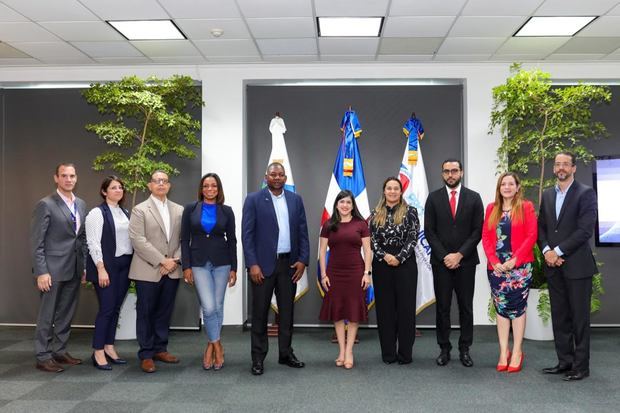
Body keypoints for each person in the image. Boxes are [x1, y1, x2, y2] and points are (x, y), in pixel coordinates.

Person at [242, 162, 309, 376]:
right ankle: (258, 358)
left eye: (281, 174)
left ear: (285, 177)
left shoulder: (295, 200)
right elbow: (247, 235)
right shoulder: (253, 199)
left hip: (289, 265)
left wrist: (303, 260)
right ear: (266, 177)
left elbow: (303, 232)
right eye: (273, 174)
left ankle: (285, 354)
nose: (277, 177)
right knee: (260, 314)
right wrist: (252, 264)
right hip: (262, 266)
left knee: (287, 314)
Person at [539, 152, 598, 381]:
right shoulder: (547, 194)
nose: (561, 167)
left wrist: (558, 252)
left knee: (579, 319)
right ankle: (565, 361)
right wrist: (547, 252)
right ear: (554, 169)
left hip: (577, 267)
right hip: (554, 266)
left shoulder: (585, 193)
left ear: (573, 168)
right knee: (560, 315)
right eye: (557, 164)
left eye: (566, 164)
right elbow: (542, 228)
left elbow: (585, 230)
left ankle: (581, 367)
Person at [424, 159, 483, 367]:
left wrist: (459, 255)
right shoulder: (433, 198)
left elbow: (478, 231)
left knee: (466, 307)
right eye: (447, 171)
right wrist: (445, 256)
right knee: (443, 307)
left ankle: (465, 349)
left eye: (454, 171)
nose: (451, 174)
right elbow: (429, 232)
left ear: (461, 172)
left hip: (466, 263)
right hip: (441, 263)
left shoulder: (474, 198)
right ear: (442, 174)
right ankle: (444, 348)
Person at [31, 163, 87, 372]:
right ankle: (43, 355)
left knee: (66, 312)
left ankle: (60, 351)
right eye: (64, 175)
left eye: (72, 175)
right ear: (56, 178)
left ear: (76, 178)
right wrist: (41, 271)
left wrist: (84, 267)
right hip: (51, 270)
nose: (68, 179)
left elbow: (81, 238)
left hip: (73, 267)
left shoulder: (80, 204)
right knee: (47, 314)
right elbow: (37, 242)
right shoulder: (45, 204)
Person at [128, 170, 184, 373]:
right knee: (146, 312)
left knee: (164, 311)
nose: (161, 184)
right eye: (156, 181)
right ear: (149, 185)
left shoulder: (179, 210)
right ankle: (146, 353)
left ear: (169, 186)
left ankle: (160, 348)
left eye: (164, 181)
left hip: (172, 270)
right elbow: (138, 240)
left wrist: (173, 261)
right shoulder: (140, 210)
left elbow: (183, 240)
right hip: (147, 270)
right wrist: (162, 261)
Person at [482, 172, 537, 373]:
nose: (506, 187)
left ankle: (517, 351)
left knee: (518, 308)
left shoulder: (526, 207)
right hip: (496, 268)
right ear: (499, 188)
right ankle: (503, 350)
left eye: (510, 184)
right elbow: (486, 238)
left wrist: (515, 260)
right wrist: (495, 261)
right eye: (503, 184)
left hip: (520, 267)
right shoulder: (491, 208)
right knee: (501, 308)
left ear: (517, 187)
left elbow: (532, 236)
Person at [181, 173, 237, 371]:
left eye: (214, 186)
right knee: (209, 307)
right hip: (198, 263)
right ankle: (218, 345)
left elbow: (232, 240)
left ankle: (210, 345)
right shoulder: (191, 209)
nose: (210, 189)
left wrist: (234, 268)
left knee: (218, 305)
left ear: (218, 188)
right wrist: (186, 266)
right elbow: (184, 239)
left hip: (222, 262)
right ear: (201, 188)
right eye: (206, 185)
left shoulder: (227, 211)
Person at [319, 190, 372, 369]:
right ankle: (341, 350)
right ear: (336, 205)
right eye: (341, 202)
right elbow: (321, 252)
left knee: (354, 312)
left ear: (352, 205)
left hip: (356, 272)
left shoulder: (361, 224)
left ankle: (349, 351)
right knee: (338, 313)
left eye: (348, 202)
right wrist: (323, 275)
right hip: (334, 273)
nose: (345, 205)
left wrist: (367, 273)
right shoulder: (328, 224)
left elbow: (368, 251)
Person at [369, 177, 419, 365]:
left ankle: (405, 354)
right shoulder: (375, 213)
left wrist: (399, 257)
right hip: (382, 265)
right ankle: (388, 353)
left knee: (405, 310)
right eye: (388, 188)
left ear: (401, 191)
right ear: (384, 191)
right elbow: (371, 240)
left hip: (405, 264)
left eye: (395, 188)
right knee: (385, 310)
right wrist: (385, 256)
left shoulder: (411, 212)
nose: (392, 191)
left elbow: (413, 238)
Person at [85, 176, 133, 370]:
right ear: (104, 191)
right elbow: (93, 242)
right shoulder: (97, 213)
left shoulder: (124, 212)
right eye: (113, 188)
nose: (118, 190)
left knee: (115, 308)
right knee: (106, 309)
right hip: (106, 266)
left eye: (120, 187)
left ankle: (109, 347)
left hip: (124, 265)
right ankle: (97, 351)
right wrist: (101, 268)